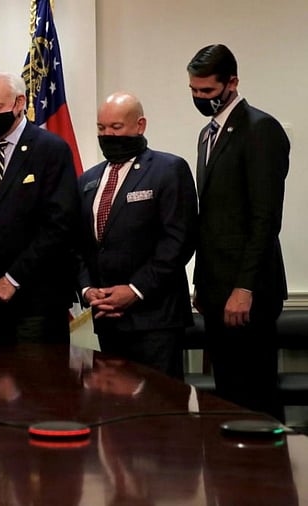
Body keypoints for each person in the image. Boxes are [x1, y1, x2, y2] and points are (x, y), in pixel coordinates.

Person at [187, 44, 289, 419]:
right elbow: (212, 219)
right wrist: (202, 282)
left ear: (232, 82)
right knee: (227, 395)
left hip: (249, 293)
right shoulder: (207, 134)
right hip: (216, 290)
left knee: (255, 394)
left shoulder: (260, 129)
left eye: (208, 92)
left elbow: (264, 218)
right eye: (194, 91)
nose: (200, 98)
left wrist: (243, 288)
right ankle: (232, 476)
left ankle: (268, 475)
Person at [76, 92, 197, 378]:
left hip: (155, 319)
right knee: (115, 411)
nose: (107, 135)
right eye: (101, 128)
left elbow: (178, 241)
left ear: (140, 125)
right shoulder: (89, 180)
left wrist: (134, 290)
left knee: (159, 410)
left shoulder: (169, 169)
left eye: (116, 128)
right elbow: (78, 245)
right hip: (107, 317)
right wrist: (87, 289)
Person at [0, 72, 80, 344]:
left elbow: (59, 226)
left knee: (36, 383)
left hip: (36, 299)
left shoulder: (51, 149)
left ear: (19, 102)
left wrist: (12, 279)